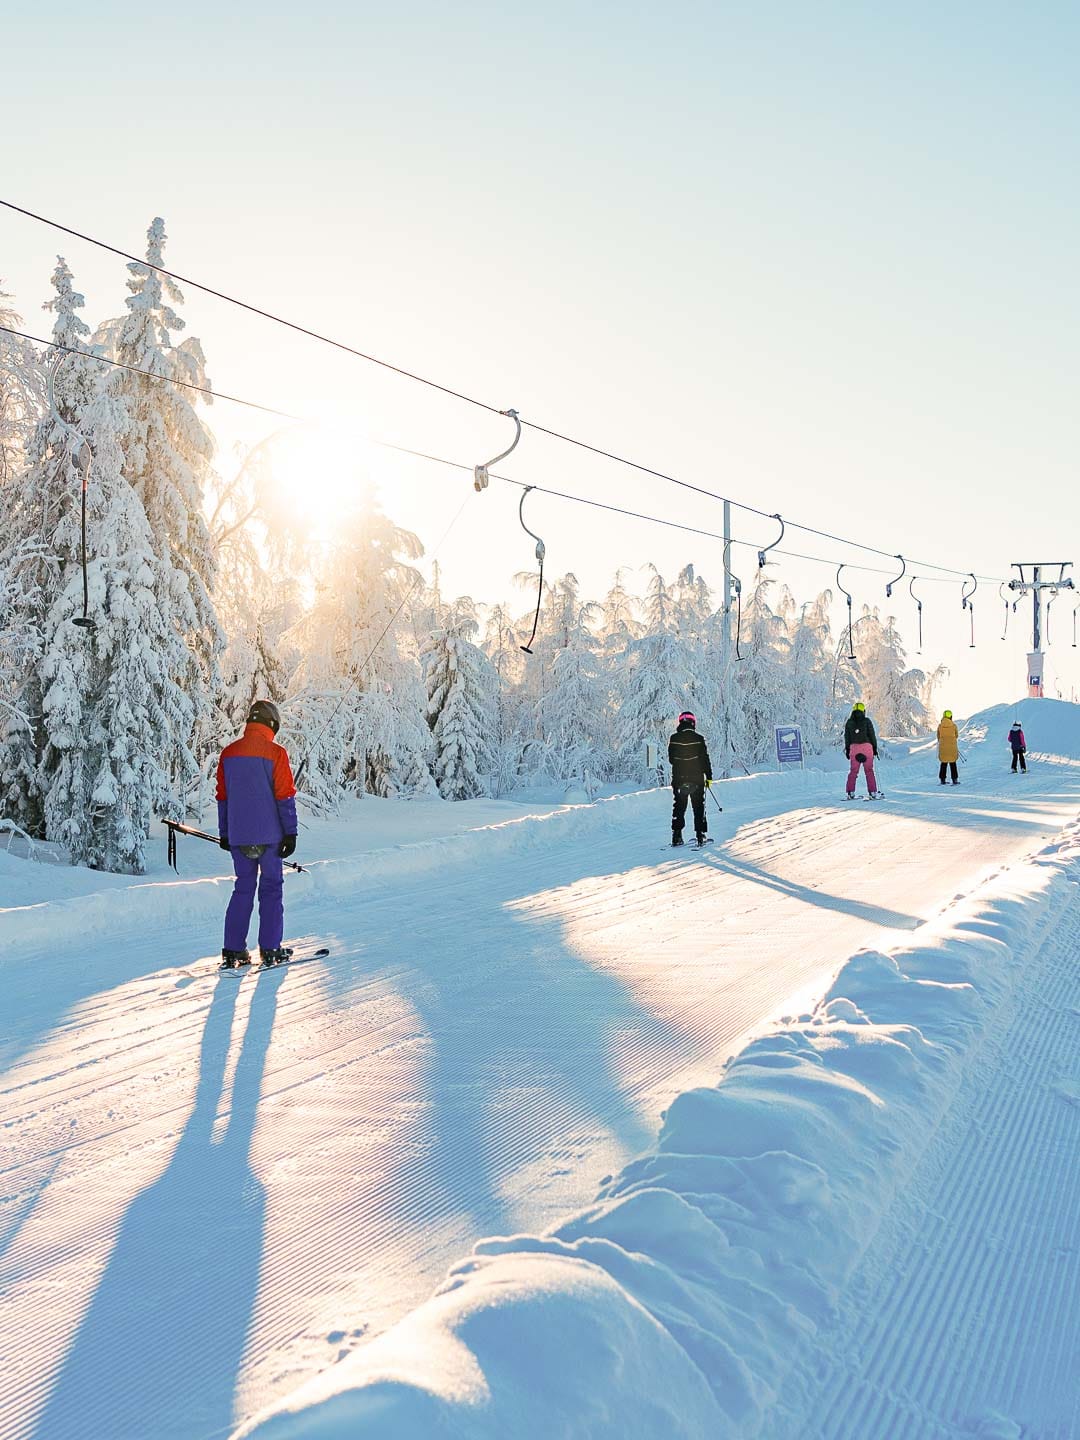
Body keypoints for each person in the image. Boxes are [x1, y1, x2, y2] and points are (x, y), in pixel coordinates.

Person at [216, 699, 298, 967]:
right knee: (271, 889)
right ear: (272, 724)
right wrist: (291, 833)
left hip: (239, 836)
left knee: (243, 888)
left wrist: (225, 833)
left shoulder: (228, 754)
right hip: (271, 837)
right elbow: (285, 796)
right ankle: (271, 949)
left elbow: (223, 797)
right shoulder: (276, 753)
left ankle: (232, 949)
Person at [668, 711, 715, 846]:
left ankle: (676, 836)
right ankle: (700, 835)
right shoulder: (699, 738)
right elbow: (705, 759)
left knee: (679, 806)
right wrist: (709, 777)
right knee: (698, 806)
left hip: (679, 779)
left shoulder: (674, 738)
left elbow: (671, 759)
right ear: (693, 722)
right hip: (697, 779)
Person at [843, 701, 880, 799]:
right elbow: (872, 735)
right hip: (867, 748)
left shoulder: (849, 722)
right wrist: (875, 748)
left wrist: (847, 750)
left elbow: (847, 737)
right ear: (863, 711)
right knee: (869, 771)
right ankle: (872, 793)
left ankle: (850, 792)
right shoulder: (867, 721)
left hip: (854, 748)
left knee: (853, 771)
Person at [937, 709, 960, 785]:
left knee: (943, 763)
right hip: (952, 748)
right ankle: (954, 780)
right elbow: (956, 735)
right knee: (953, 763)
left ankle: (942, 780)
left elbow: (938, 737)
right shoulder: (954, 726)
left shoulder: (940, 726)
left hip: (943, 748)